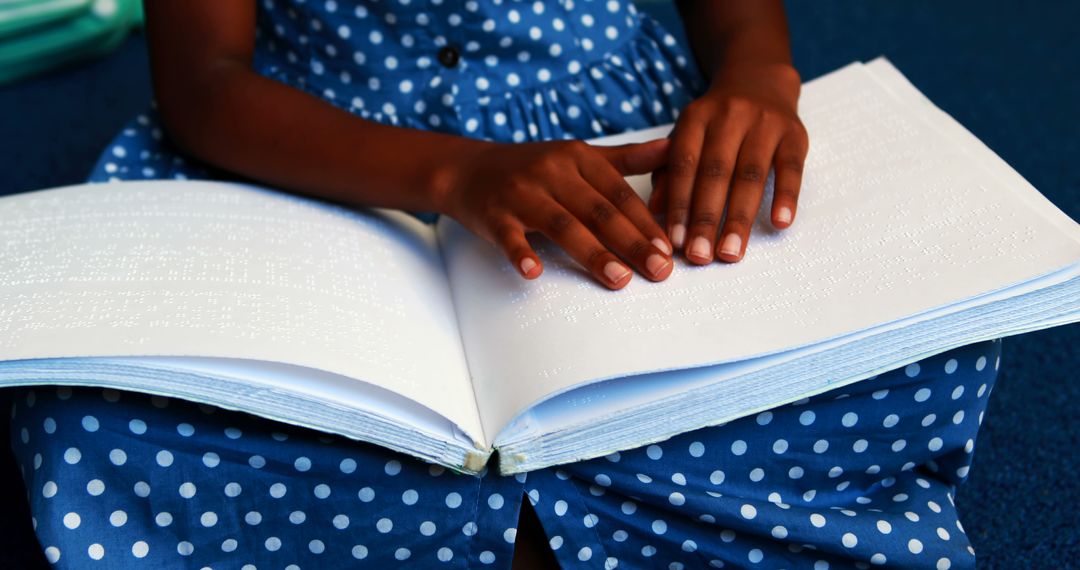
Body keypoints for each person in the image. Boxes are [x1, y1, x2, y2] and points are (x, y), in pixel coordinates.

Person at [9, 1, 999, 568]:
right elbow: (206, 83)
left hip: (609, 124)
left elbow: (742, 30)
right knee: (97, 406)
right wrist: (453, 176)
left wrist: (757, 81)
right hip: (321, 147)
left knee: (925, 336)